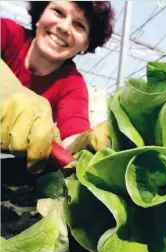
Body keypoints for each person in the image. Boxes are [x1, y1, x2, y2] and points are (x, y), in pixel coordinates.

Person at [1, 1, 114, 173]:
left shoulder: (72, 84)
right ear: (40, 16)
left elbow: (70, 138)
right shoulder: (8, 33)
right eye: (58, 12)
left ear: (85, 45)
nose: (64, 27)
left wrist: (86, 142)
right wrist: (9, 90)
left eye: (79, 25)